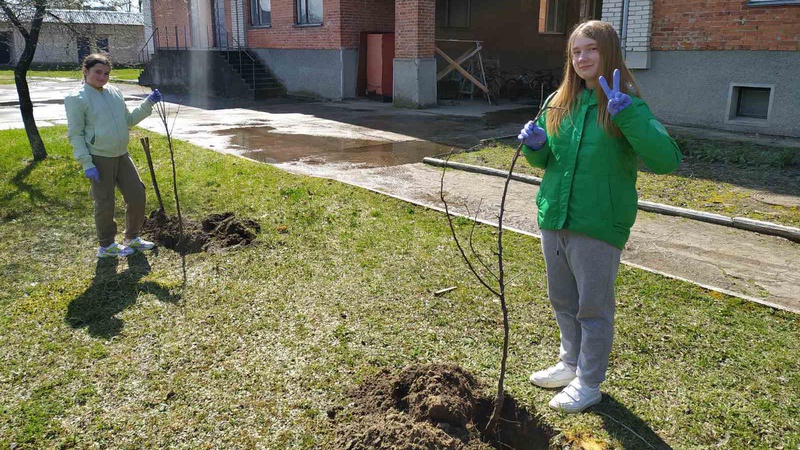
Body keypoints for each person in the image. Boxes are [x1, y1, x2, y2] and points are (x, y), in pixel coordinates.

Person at [518, 20, 682, 413]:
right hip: (555, 218)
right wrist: (535, 146)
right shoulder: (559, 103)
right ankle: (569, 363)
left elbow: (667, 160)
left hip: (598, 223)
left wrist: (628, 117)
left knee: (592, 308)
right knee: (562, 299)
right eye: (575, 51)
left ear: (608, 52)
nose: (582, 58)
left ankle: (589, 382)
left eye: (590, 49)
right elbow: (547, 161)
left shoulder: (626, 104)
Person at [65, 53, 163, 258]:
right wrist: (86, 163)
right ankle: (106, 245)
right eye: (97, 72)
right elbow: (75, 134)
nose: (102, 77)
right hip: (99, 157)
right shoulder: (77, 98)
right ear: (85, 71)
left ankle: (132, 238)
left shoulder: (114, 92)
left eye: (106, 73)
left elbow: (128, 119)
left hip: (121, 155)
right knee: (105, 202)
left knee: (137, 194)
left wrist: (148, 103)